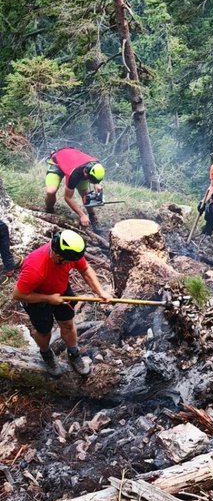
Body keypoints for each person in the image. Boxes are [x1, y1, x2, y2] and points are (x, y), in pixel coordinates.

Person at [12, 230, 112, 375]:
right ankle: (46, 354)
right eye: (68, 261)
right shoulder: (35, 267)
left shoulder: (71, 252)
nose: (72, 263)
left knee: (68, 324)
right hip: (36, 299)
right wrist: (48, 299)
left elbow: (85, 269)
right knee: (44, 331)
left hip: (61, 289)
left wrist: (100, 292)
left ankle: (73, 353)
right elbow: (18, 294)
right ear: (58, 255)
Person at [44, 146, 106, 227]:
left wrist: (97, 183)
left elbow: (96, 173)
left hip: (74, 162)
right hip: (57, 163)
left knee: (85, 194)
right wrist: (82, 215)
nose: (90, 182)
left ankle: (92, 216)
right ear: (85, 173)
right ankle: (49, 209)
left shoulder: (96, 164)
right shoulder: (74, 174)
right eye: (90, 180)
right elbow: (67, 197)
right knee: (51, 191)